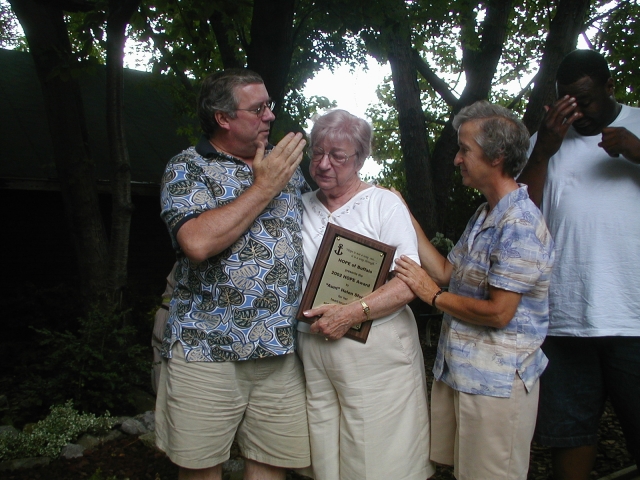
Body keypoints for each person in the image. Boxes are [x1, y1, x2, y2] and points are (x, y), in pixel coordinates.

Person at [156, 68, 311, 480]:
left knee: (272, 467)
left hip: (279, 350)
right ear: (222, 118)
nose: (270, 116)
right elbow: (197, 243)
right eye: (258, 108)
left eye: (270, 105)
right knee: (200, 469)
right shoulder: (188, 167)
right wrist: (263, 187)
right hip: (207, 351)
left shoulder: (285, 165)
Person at [394, 101, 555, 480]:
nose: (456, 159)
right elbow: (448, 271)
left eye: (464, 149)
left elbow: (500, 313)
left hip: (497, 386)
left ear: (496, 156)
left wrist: (430, 295)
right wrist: (403, 213)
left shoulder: (519, 223)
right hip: (463, 375)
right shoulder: (487, 213)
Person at [518, 49, 640, 479]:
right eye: (567, 101)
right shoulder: (546, 142)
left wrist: (636, 149)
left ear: (610, 87)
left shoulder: (639, 124)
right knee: (570, 438)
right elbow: (520, 216)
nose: (578, 112)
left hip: (633, 319)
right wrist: (543, 152)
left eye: (586, 100)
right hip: (565, 319)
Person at [297, 109, 435, 480]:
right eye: (316, 153)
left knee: (379, 458)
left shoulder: (383, 204)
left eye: (337, 156)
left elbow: (410, 281)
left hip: (376, 348)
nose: (324, 164)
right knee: (325, 454)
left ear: (359, 158)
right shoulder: (300, 205)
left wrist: (352, 313)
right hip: (313, 348)